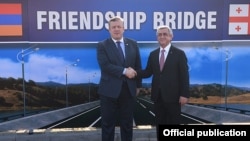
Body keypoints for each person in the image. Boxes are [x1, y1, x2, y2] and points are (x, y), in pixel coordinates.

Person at [136, 25, 190, 140]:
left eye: (165, 34)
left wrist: (184, 94)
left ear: (171, 36)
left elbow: (184, 76)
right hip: (158, 97)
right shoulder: (153, 54)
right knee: (160, 126)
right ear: (157, 37)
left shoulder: (179, 54)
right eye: (159, 35)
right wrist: (134, 72)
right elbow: (147, 72)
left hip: (174, 98)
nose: (162, 36)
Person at [96, 16, 142, 141]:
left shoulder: (133, 44)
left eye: (119, 27)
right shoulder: (102, 45)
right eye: (113, 27)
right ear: (109, 29)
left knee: (127, 125)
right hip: (109, 91)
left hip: (128, 90)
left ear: (124, 28)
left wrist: (138, 85)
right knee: (107, 126)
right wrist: (124, 71)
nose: (116, 29)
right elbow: (105, 65)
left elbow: (138, 65)